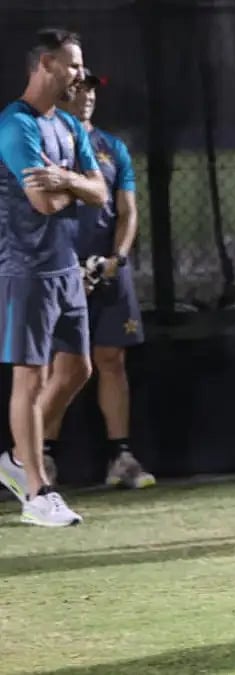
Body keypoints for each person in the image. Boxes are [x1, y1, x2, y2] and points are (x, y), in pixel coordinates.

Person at [0, 28, 108, 526]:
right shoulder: (14, 126)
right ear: (44, 64)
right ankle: (36, 492)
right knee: (31, 375)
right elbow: (40, 204)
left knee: (78, 370)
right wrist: (74, 188)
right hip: (27, 269)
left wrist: (66, 179)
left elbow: (100, 191)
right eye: (72, 65)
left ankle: (19, 459)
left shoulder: (67, 126)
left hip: (66, 269)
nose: (79, 74)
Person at [50, 67, 154, 489]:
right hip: (59, 274)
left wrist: (117, 259)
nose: (88, 96)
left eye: (92, 90)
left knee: (112, 360)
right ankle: (39, 460)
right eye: (79, 89)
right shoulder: (44, 142)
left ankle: (121, 458)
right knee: (62, 365)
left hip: (108, 272)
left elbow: (126, 211)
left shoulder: (113, 147)